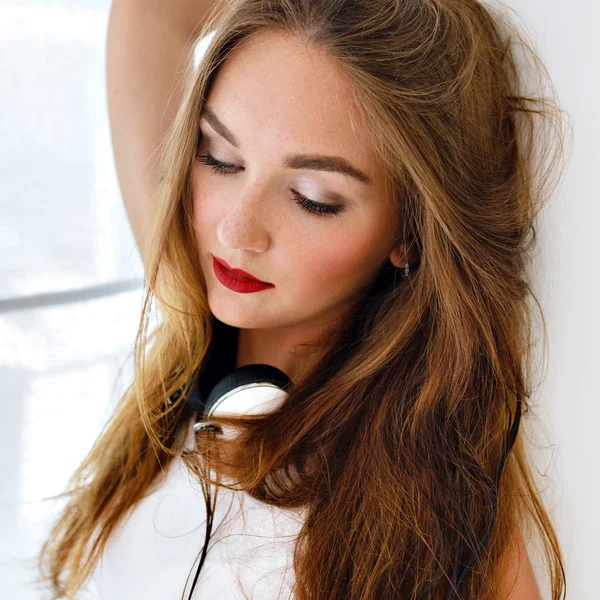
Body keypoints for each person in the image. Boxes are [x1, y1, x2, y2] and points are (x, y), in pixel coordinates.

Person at [36, 0, 568, 598]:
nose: (236, 231)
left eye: (314, 198)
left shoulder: (436, 529)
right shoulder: (191, 298)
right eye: (220, 157)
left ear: (408, 232)